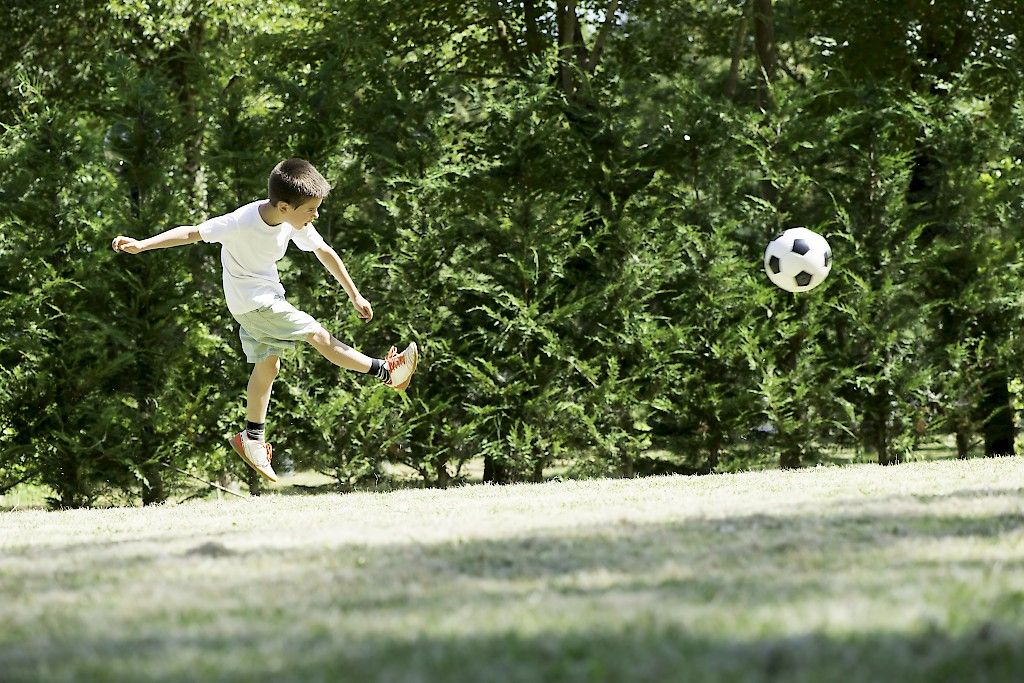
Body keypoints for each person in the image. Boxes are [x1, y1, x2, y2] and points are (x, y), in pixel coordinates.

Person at [111, 158, 418, 483]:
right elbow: (191, 233)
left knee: (268, 367)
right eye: (311, 210)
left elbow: (324, 251)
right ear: (284, 206)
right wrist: (143, 244)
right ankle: (387, 372)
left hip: (261, 299)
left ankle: (252, 439)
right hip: (255, 303)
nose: (315, 215)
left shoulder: (293, 221)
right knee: (315, 333)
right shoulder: (239, 222)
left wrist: (354, 294)